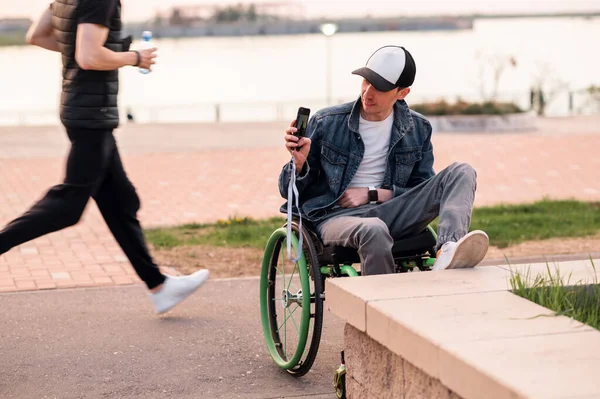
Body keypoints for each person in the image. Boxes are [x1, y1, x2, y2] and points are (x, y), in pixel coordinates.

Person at [0, 0, 208, 314]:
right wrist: (134, 57)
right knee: (69, 204)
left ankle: (159, 286)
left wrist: (90, 50)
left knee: (121, 201)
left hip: (81, 109)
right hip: (91, 116)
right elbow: (88, 56)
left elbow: (38, 36)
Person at [279, 45, 489, 275]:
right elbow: (287, 191)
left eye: (379, 87)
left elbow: (419, 190)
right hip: (337, 217)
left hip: (394, 210)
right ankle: (380, 305)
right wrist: (299, 164)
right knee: (374, 229)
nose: (368, 93)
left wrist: (373, 193)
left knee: (462, 171)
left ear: (402, 93)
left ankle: (448, 249)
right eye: (365, 82)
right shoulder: (327, 121)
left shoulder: (417, 128)